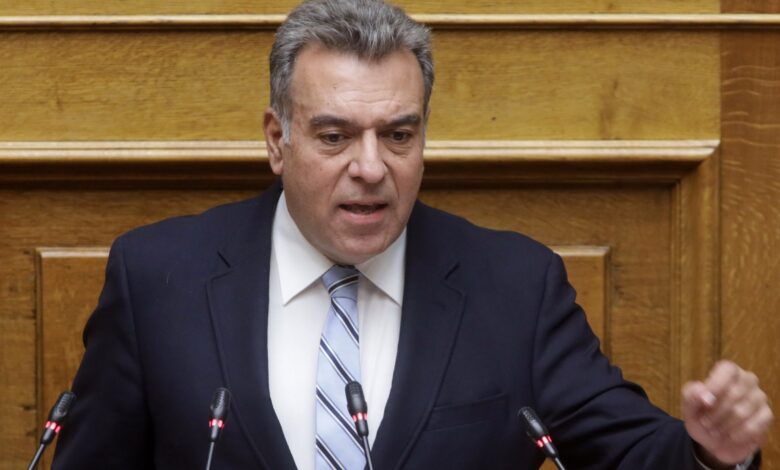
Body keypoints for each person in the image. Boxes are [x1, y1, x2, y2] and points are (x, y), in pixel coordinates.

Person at [52, 0, 772, 468]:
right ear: (277, 140)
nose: (372, 168)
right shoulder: (158, 279)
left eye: (398, 135)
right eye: (334, 136)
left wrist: (713, 452)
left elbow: (630, 452)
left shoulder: (515, 288)